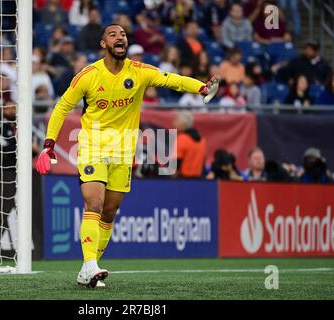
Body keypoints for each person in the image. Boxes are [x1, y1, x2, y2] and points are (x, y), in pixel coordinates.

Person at [35, 23, 220, 288]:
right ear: (103, 44)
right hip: (92, 146)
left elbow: (173, 79)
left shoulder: (140, 71)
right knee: (94, 204)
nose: (120, 37)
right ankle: (90, 264)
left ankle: (88, 269)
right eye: (113, 34)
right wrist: (49, 144)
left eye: (123, 34)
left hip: (123, 151)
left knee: (109, 212)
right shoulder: (88, 75)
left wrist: (202, 88)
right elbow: (62, 106)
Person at [172, 111, 206, 178]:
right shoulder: (202, 140)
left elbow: (176, 162)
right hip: (198, 179)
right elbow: (203, 162)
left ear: (183, 123)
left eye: (176, 120)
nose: (173, 123)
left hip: (183, 179)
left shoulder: (182, 138)